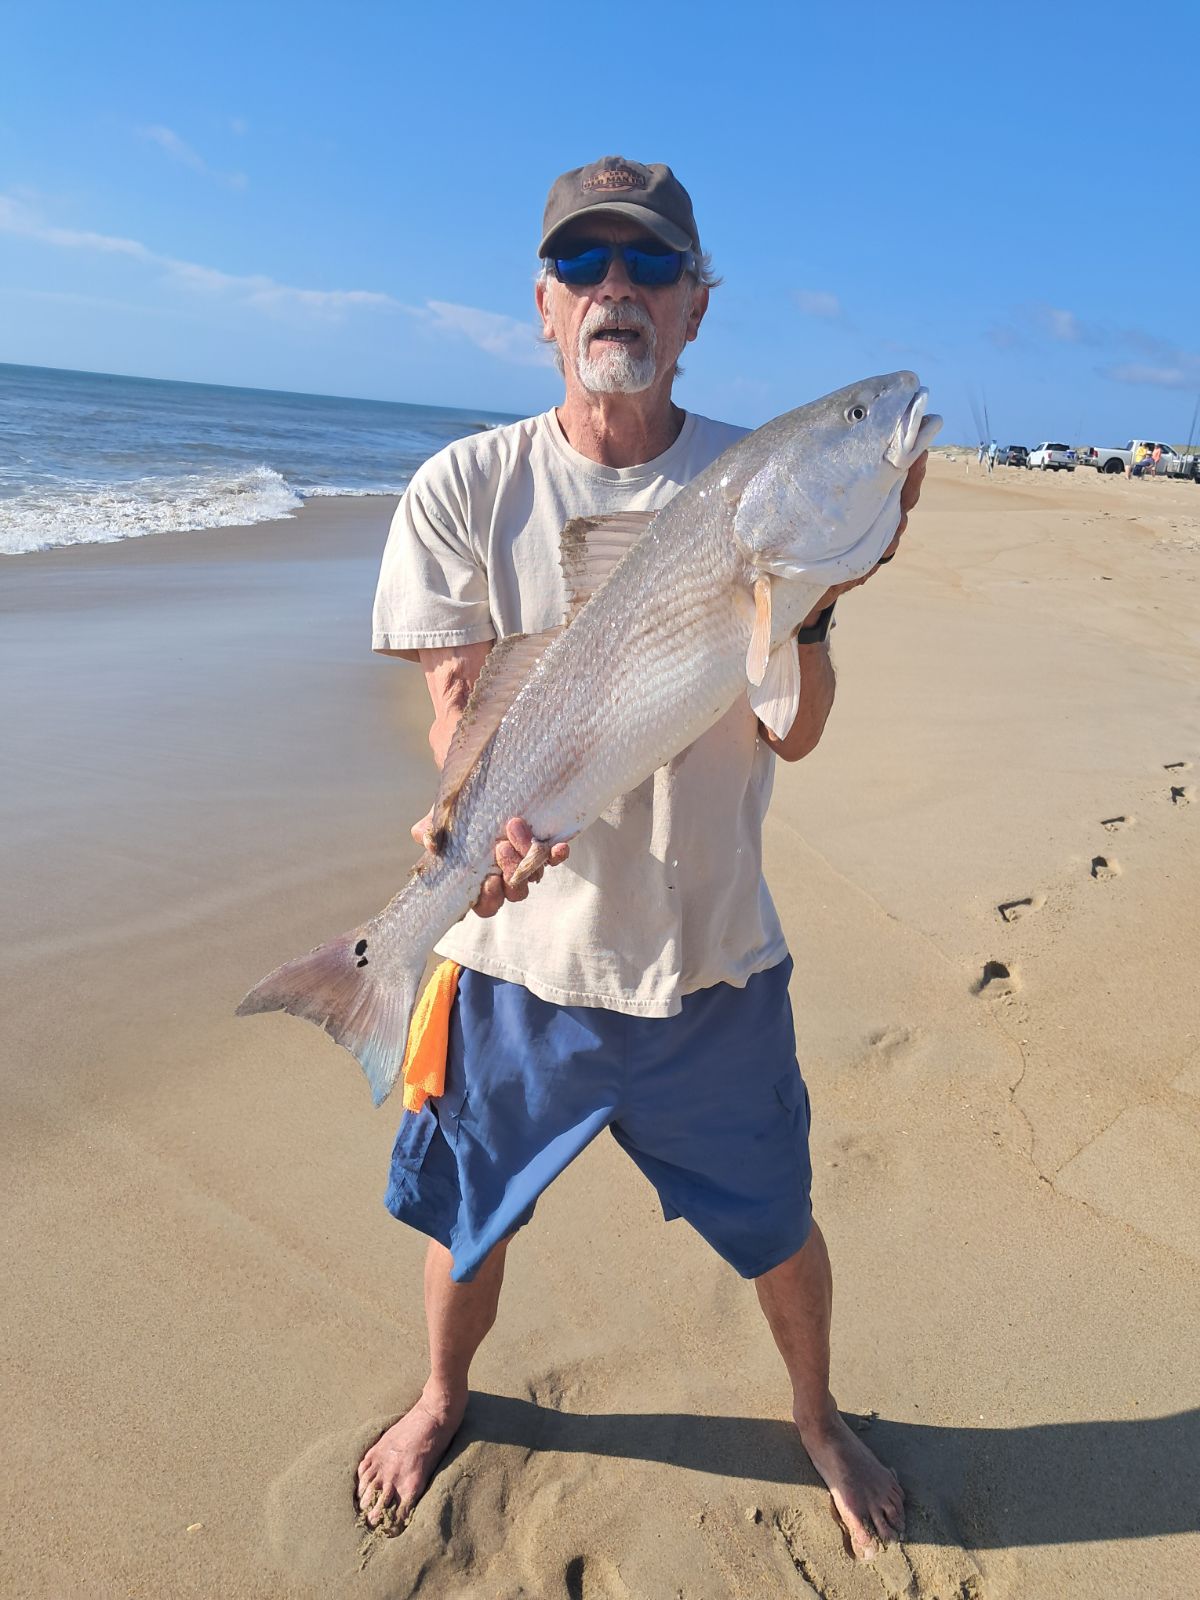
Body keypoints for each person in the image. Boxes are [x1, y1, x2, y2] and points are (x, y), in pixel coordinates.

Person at [363, 155, 927, 1561]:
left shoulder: (758, 494)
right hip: (510, 967)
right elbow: (458, 718)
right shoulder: (464, 487)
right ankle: (443, 1395)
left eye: (654, 267)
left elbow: (792, 733)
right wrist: (461, 836)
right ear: (544, 306)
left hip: (712, 957)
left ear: (696, 309)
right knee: (466, 1221)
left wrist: (811, 601)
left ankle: (815, 1414)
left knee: (781, 1222)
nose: (618, 287)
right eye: (586, 267)